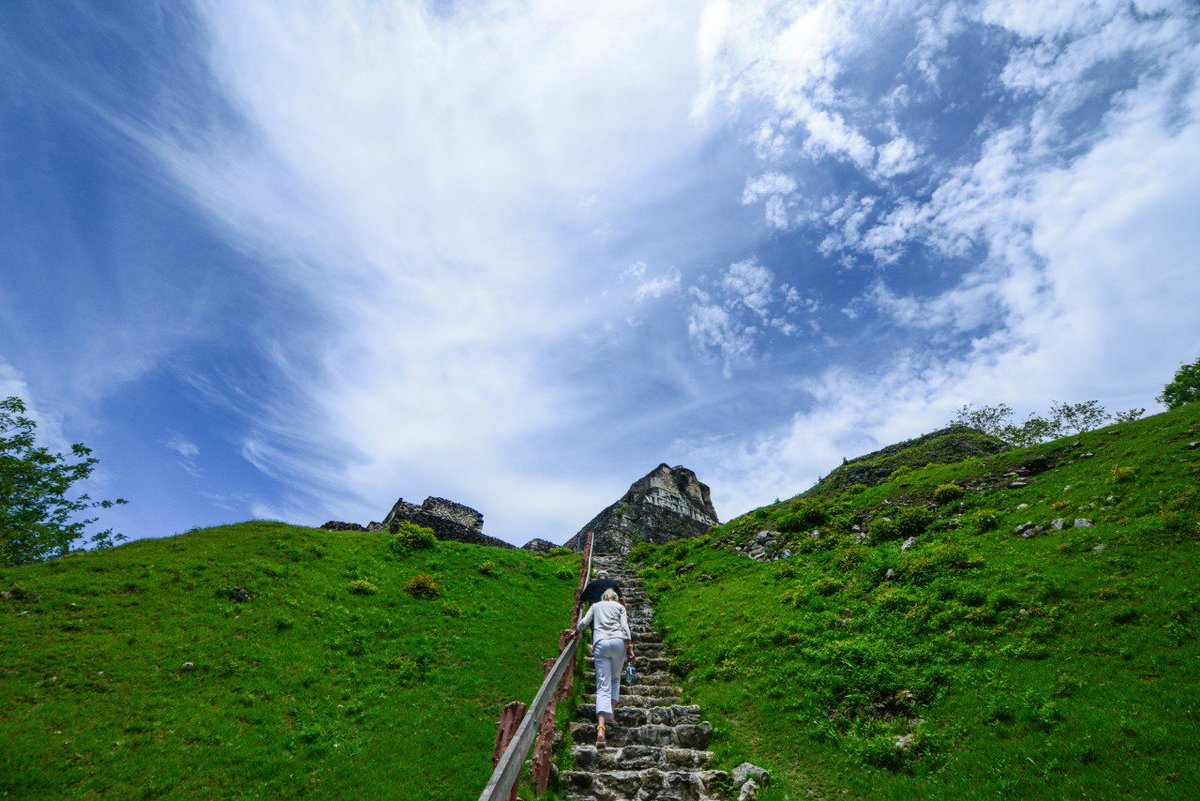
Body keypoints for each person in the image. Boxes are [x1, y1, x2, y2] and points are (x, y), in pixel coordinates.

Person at [574, 587, 633, 747]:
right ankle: (611, 714)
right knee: (615, 679)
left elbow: (584, 622)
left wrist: (575, 632)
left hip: (600, 642)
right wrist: (630, 648)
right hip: (618, 642)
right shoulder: (620, 607)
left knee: (602, 685)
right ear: (614, 598)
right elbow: (625, 627)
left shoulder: (595, 606)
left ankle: (601, 728)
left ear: (603, 597)